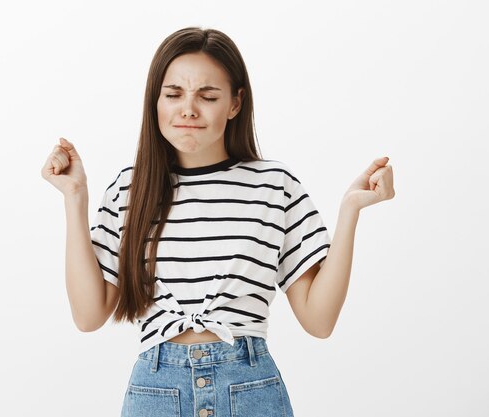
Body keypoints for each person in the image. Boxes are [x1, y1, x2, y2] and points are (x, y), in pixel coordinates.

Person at [41, 26, 395, 417]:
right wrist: (75, 198)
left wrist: (350, 210)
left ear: (235, 103)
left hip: (249, 389)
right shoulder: (130, 187)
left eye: (207, 96)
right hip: (156, 393)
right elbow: (89, 316)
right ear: (154, 102)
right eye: (173, 94)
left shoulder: (274, 185)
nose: (188, 108)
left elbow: (319, 320)